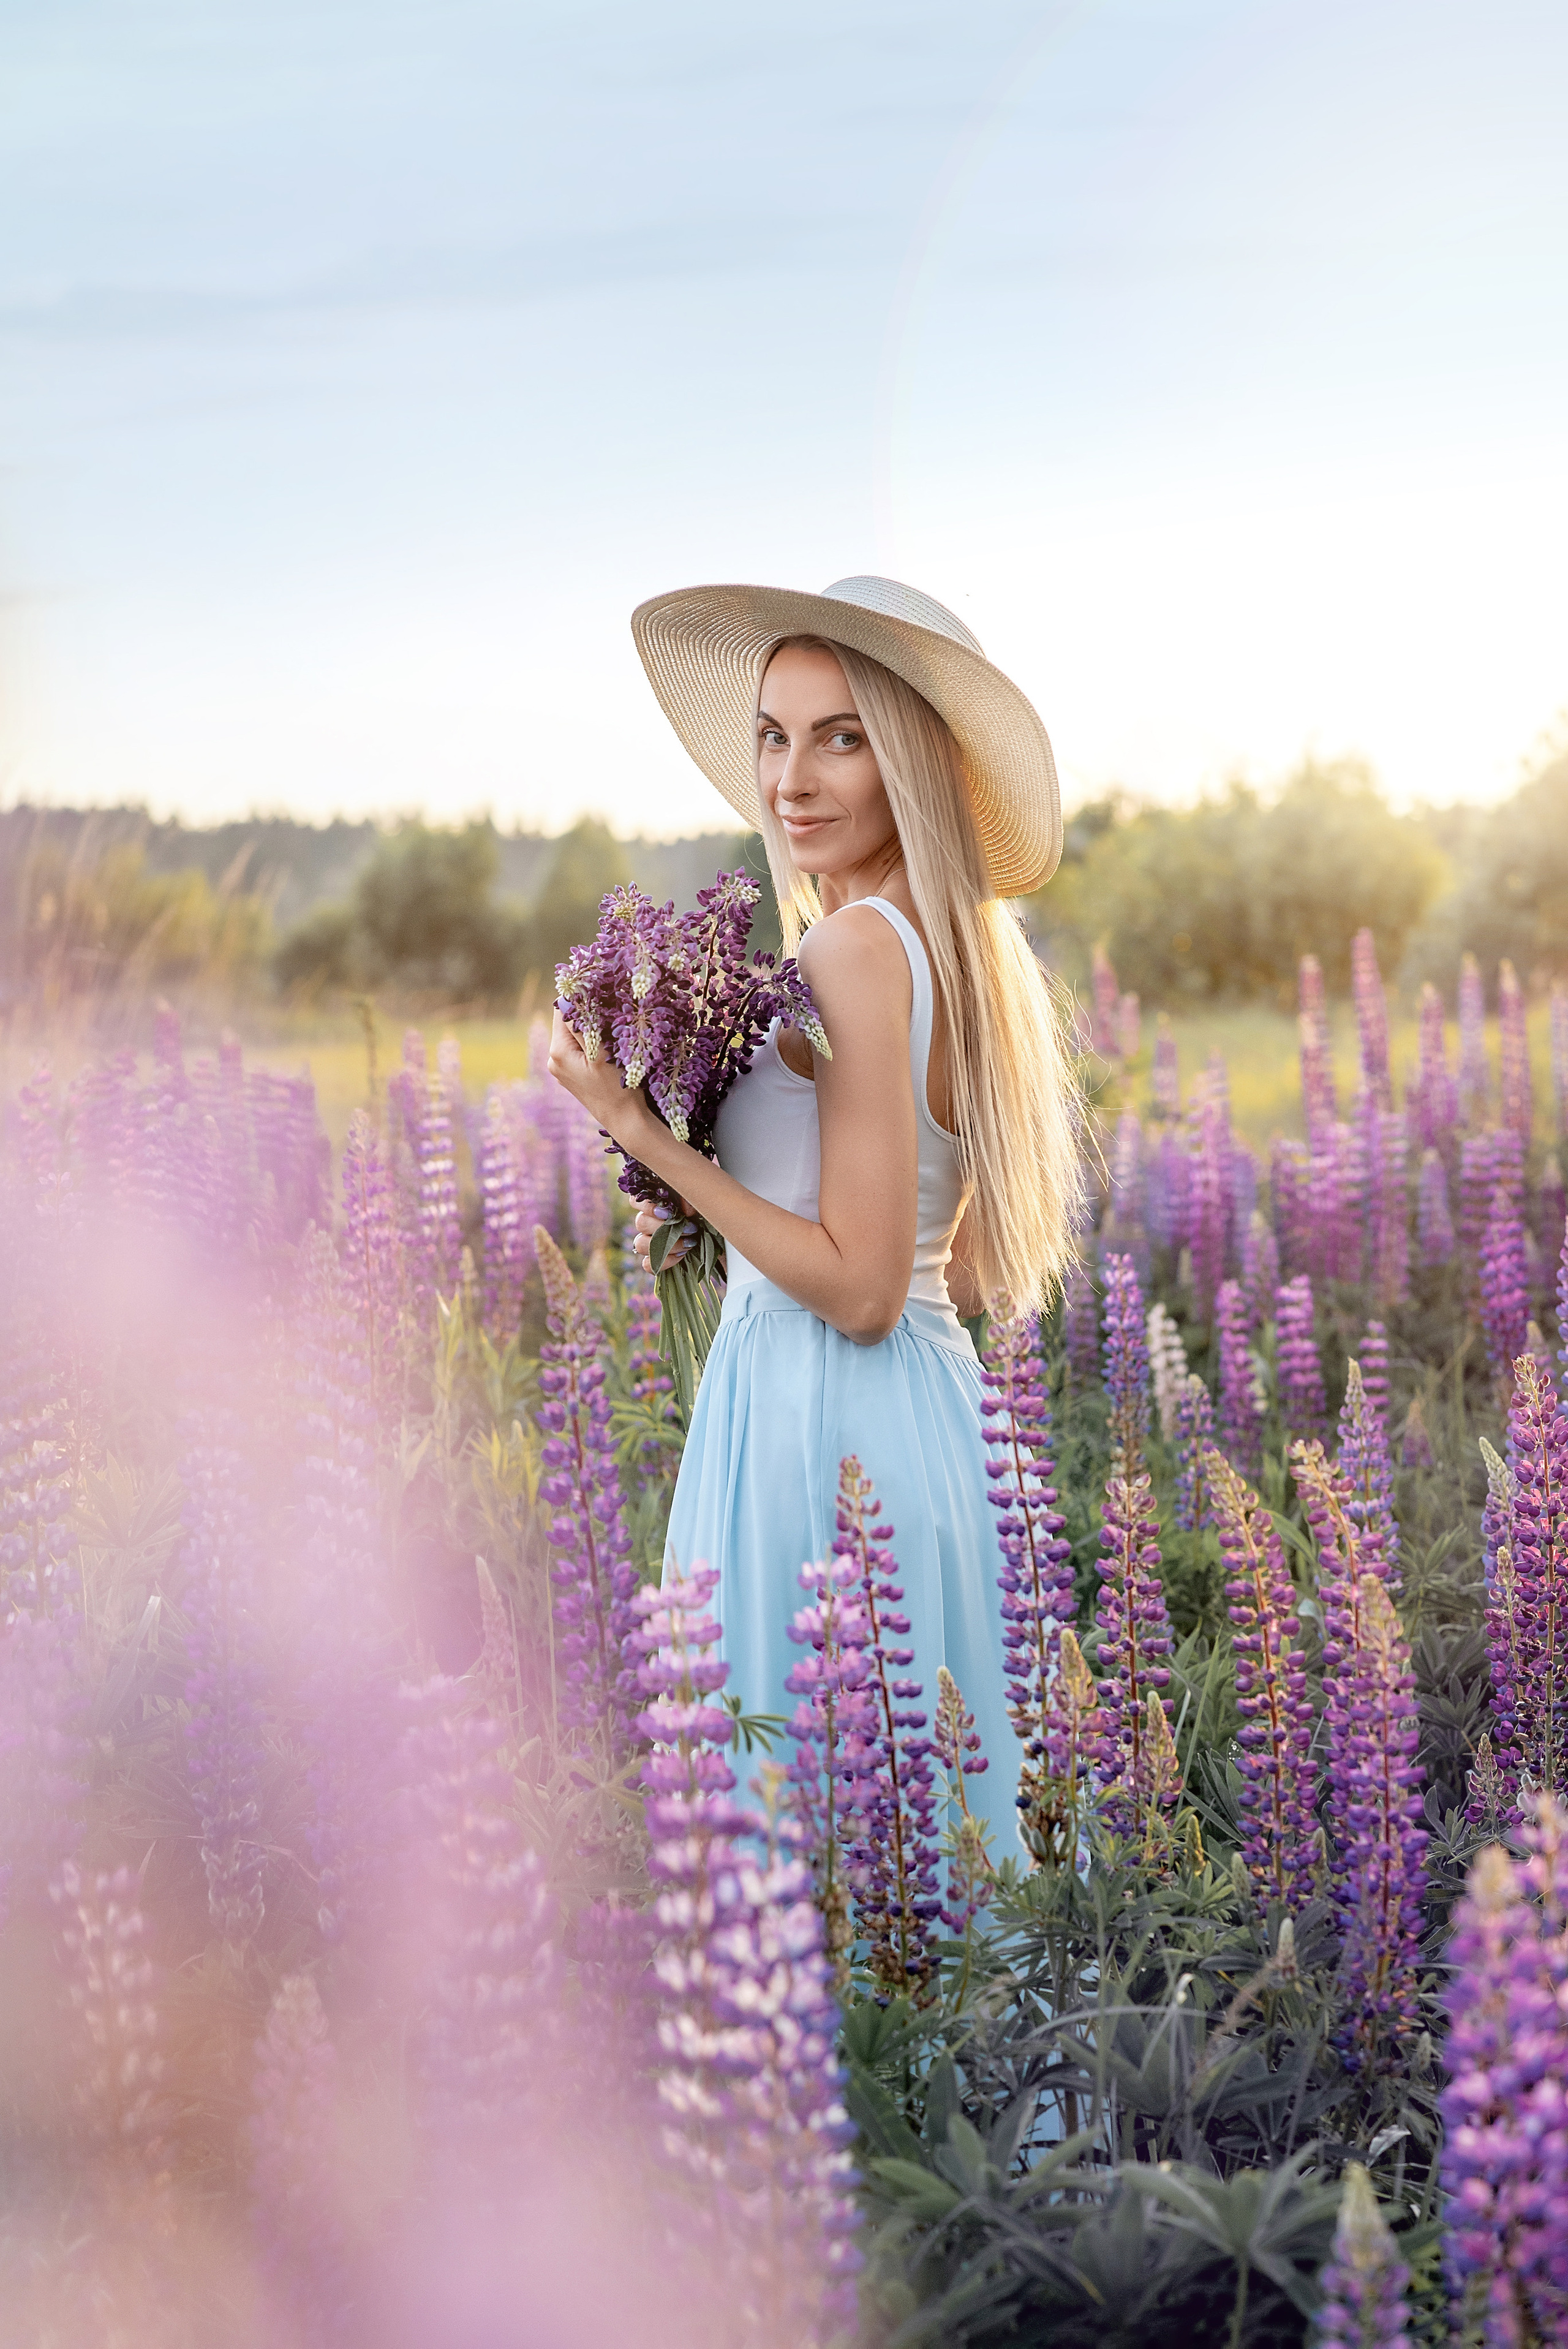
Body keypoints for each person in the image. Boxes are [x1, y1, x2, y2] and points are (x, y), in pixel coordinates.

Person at [548, 575, 1080, 1844]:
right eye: (775, 735)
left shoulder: (852, 951)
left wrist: (641, 1135)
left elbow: (853, 1287)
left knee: (817, 1850)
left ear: (908, 760)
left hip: (817, 1423)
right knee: (935, 1851)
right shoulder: (943, 948)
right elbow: (941, 1271)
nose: (792, 777)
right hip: (923, 1424)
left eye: (840, 736)